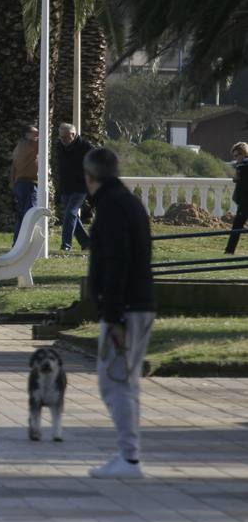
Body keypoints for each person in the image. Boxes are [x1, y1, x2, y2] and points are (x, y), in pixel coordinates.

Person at [83, 146, 154, 479]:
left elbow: (116, 260)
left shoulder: (111, 206)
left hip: (125, 308)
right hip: (140, 303)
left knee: (114, 382)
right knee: (127, 381)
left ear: (89, 176)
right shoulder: (128, 202)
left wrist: (112, 314)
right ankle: (129, 455)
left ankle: (129, 458)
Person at [55, 123, 94, 252]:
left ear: (73, 134)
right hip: (65, 186)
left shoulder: (85, 146)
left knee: (70, 213)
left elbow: (96, 160)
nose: (63, 140)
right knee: (71, 216)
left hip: (81, 186)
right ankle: (86, 243)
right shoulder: (59, 145)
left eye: (66, 137)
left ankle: (66, 244)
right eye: (61, 137)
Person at [10, 126, 39, 242]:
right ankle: (26, 242)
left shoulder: (19, 146)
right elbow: (45, 144)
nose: (38, 134)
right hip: (29, 184)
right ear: (27, 134)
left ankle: (17, 241)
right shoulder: (31, 145)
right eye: (35, 132)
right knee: (31, 214)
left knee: (23, 214)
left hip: (20, 183)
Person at [225, 142, 248, 254]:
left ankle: (229, 251)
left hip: (245, 203)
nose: (235, 159)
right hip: (244, 202)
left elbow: (238, 176)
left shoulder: (243, 165)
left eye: (236, 156)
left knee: (236, 228)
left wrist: (237, 175)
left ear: (243, 153)